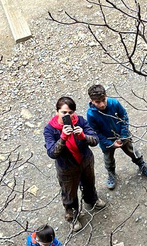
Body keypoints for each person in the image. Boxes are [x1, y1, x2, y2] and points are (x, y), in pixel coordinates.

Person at [43, 96, 106, 232]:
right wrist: (63, 138)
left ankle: (91, 200)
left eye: (70, 112)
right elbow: (52, 153)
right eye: (64, 112)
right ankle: (72, 216)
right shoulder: (50, 130)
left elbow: (95, 140)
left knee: (89, 183)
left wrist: (83, 136)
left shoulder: (80, 121)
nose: (68, 115)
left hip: (85, 162)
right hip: (67, 169)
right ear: (57, 112)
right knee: (69, 193)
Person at [86, 84, 147, 190]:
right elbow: (96, 132)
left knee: (132, 151)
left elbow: (124, 117)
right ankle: (111, 174)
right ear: (92, 101)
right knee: (108, 159)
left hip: (122, 136)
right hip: (106, 141)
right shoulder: (91, 114)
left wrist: (123, 136)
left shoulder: (114, 103)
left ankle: (142, 165)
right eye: (97, 102)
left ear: (106, 95)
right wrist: (110, 143)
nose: (102, 104)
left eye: (103, 100)